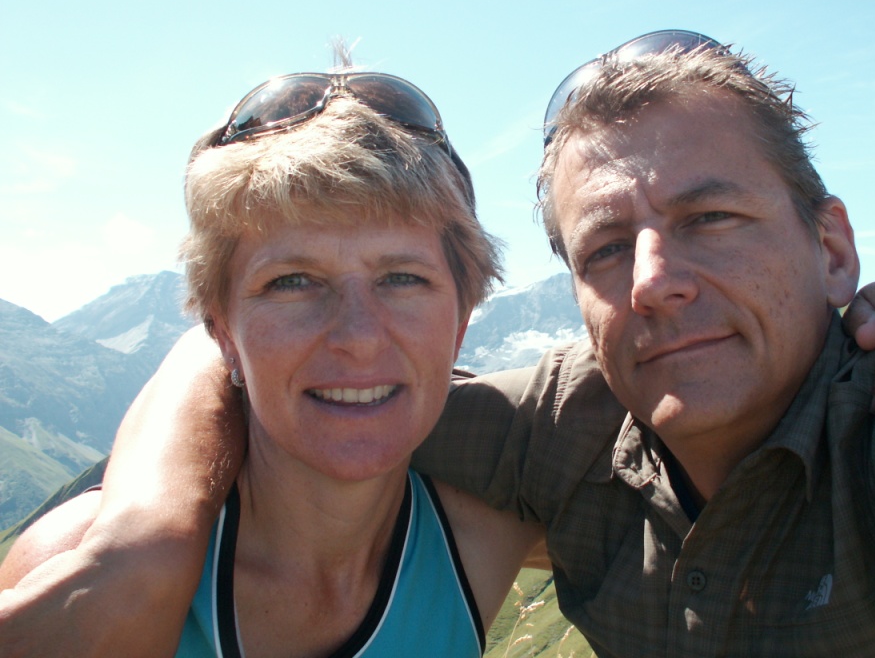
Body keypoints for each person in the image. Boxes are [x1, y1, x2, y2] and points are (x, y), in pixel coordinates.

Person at [1, 34, 875, 657]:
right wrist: (148, 541)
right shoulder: (557, 433)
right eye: (606, 248)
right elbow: (269, 381)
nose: (654, 279)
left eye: (712, 218)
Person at [0, 68, 544, 656]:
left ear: (460, 325)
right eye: (292, 281)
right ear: (222, 332)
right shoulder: (82, 571)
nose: (359, 337)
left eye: (403, 278)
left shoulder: (484, 539)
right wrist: (149, 543)